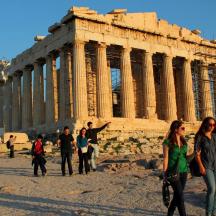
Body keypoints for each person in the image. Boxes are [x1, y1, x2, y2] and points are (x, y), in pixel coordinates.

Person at [163, 120, 189, 216]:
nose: (184, 130)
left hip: (184, 171)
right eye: (182, 128)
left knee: (178, 195)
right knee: (180, 197)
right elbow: (165, 159)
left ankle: (170, 212)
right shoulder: (167, 142)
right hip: (173, 172)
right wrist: (164, 174)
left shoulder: (184, 141)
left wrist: (195, 154)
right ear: (175, 129)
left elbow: (185, 157)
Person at [195, 117, 216, 216]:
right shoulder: (200, 137)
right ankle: (208, 213)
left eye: (214, 125)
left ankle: (213, 212)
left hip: (215, 165)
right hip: (206, 166)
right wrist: (200, 166)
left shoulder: (215, 136)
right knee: (212, 188)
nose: (212, 127)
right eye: (210, 124)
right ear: (205, 124)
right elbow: (197, 153)